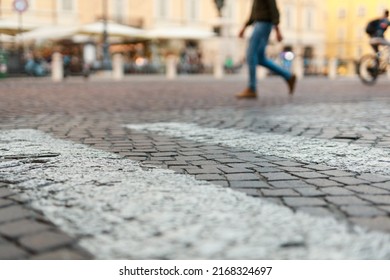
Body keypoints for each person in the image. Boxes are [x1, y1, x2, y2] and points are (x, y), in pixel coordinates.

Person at [236, 0, 296, 99]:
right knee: (260, 58)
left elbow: (274, 10)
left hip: (263, 24)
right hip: (260, 24)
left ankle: (252, 88)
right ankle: (288, 76)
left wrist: (277, 30)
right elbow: (254, 13)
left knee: (251, 55)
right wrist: (244, 27)